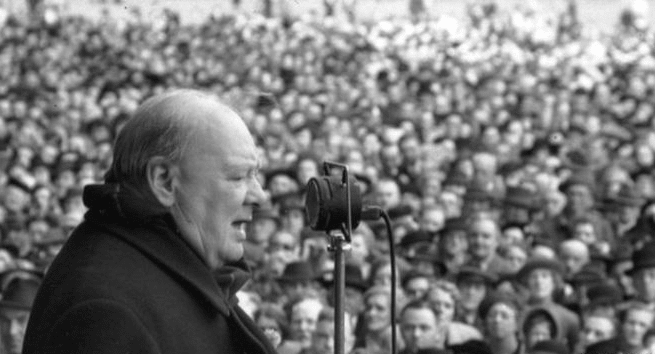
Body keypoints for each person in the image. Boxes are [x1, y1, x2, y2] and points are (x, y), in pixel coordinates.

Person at [22, 90, 277, 354]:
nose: (260, 196)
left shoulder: (165, 266)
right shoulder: (106, 314)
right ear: (164, 180)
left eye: (255, 175)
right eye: (238, 177)